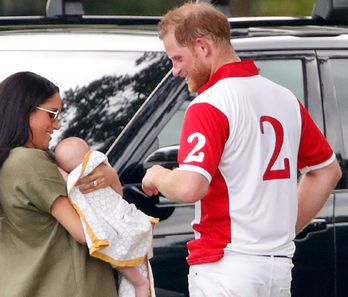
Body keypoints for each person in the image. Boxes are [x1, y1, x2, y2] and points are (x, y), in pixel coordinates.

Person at [141, 3, 342, 297]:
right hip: (277, 267)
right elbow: (327, 171)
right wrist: (283, 229)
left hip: (226, 267)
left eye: (177, 58)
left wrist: (157, 175)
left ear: (202, 46)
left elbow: (189, 187)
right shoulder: (283, 97)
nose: (175, 70)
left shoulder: (209, 103)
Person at [0, 71, 119, 297]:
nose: (56, 125)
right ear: (23, 112)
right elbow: (87, 233)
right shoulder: (28, 162)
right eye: (52, 114)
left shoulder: (9, 162)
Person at [54, 136, 156, 297]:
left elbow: (115, 197)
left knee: (119, 256)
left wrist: (56, 169)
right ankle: (140, 284)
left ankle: (140, 284)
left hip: (116, 226)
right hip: (122, 224)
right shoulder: (101, 168)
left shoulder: (83, 176)